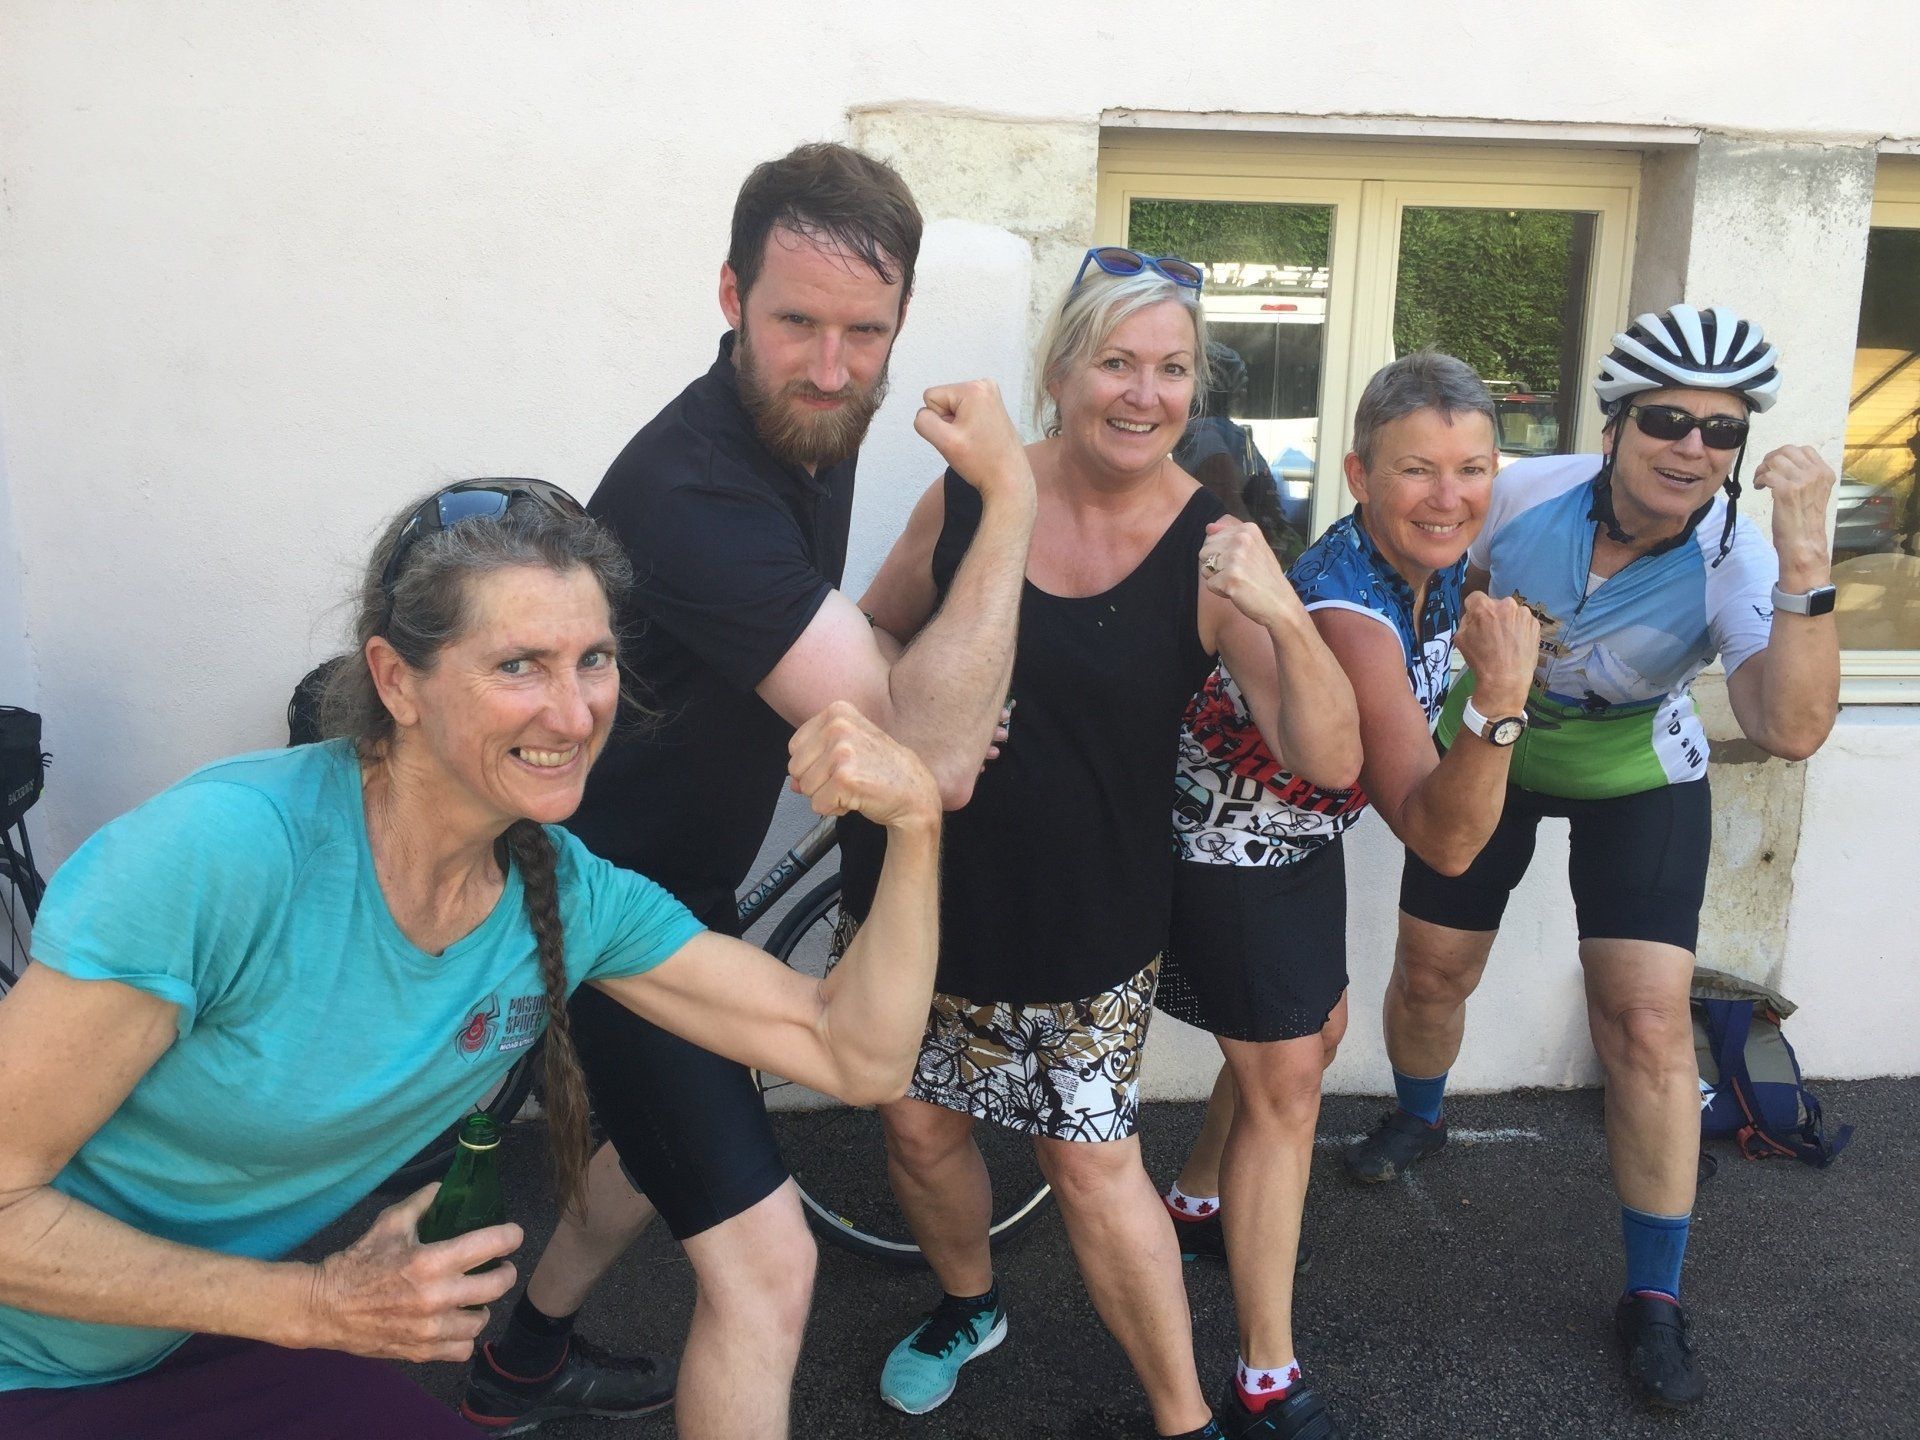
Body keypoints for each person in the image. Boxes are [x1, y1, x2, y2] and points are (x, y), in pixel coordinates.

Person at [0, 480, 946, 1438]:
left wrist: (915, 828)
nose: (574, 716)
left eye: (594, 660)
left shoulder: (567, 895)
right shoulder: (224, 853)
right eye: (518, 665)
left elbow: (854, 1054)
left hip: (178, 1335)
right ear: (395, 680)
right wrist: (318, 1304)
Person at [471, 143, 1036, 1438]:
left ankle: (521, 1361)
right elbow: (931, 764)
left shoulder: (810, 426)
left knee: (657, 1143)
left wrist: (893, 673)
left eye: (864, 334)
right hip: (601, 900)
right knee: (769, 1269)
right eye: (796, 325)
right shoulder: (695, 489)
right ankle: (517, 1361)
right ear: (731, 296)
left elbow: (852, 636)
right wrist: (1007, 498)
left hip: (674, 882)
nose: (832, 368)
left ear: (899, 321)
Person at [838, 246, 1362, 1440]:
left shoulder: (1215, 547)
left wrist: (1284, 613)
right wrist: (918, 711)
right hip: (919, 886)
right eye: (1118, 362)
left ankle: (1184, 1418)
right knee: (918, 1125)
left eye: (1172, 369)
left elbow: (1329, 757)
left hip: (1087, 909)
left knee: (1087, 1160)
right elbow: (874, 628)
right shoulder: (973, 493)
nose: (1144, 393)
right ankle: (970, 1306)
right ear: (1061, 374)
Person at [1347, 305, 1841, 1409]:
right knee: (1432, 974)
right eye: (1667, 420)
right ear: (1615, 427)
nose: (1693, 448)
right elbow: (1417, 572)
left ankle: (1655, 1297)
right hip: (1491, 749)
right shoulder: (1523, 492)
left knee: (1647, 1025)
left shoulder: (1739, 558)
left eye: (1723, 431)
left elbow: (1790, 727)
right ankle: (1419, 1113)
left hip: (1636, 775)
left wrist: (1808, 560)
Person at [1153, 351, 1540, 1439]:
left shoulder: (1434, 563)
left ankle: (1195, 1202)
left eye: (1472, 469)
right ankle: (1264, 1381)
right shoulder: (1349, 609)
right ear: (1361, 475)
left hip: (1297, 838)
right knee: (1287, 1089)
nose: (1449, 496)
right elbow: (1440, 838)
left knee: (1309, 1041)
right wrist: (1500, 704)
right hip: (1220, 845)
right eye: (1418, 470)